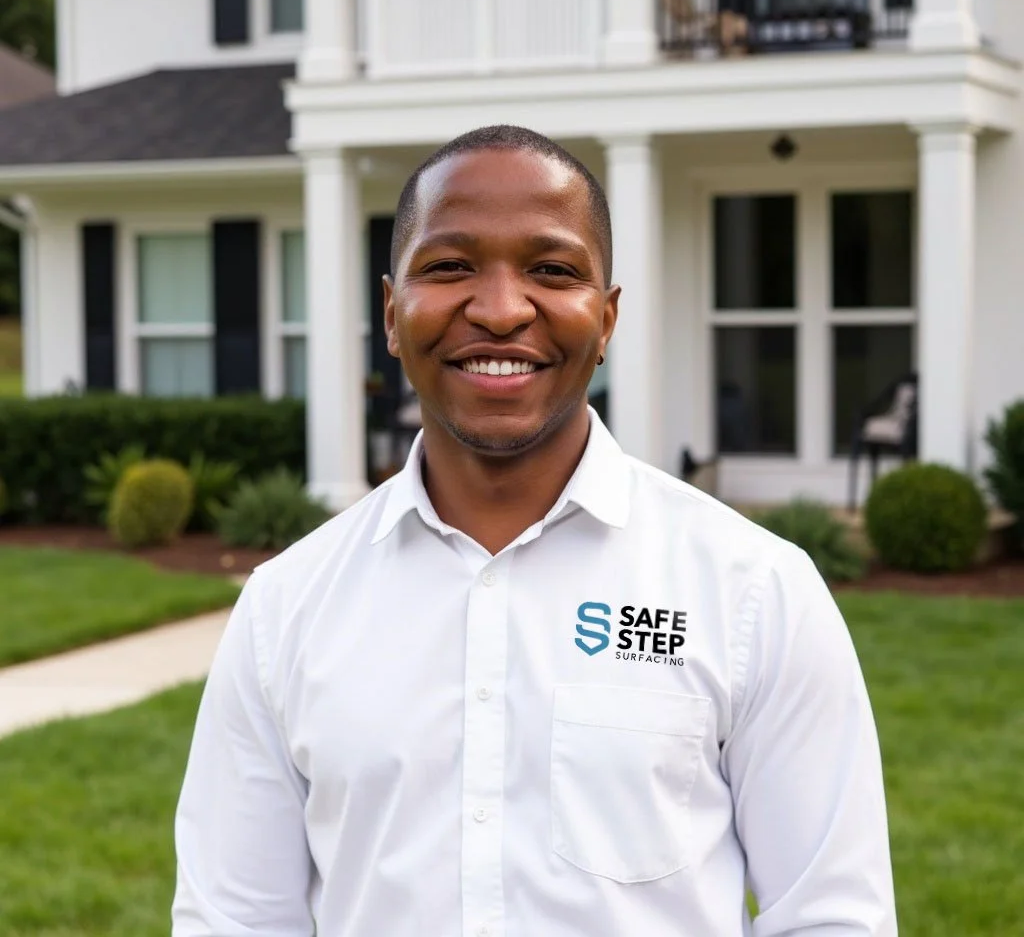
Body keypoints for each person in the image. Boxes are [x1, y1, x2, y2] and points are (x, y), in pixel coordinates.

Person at [171, 125, 897, 936]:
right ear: (390, 312)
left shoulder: (755, 591)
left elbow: (834, 916)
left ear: (607, 317)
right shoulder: (285, 609)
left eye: (552, 270)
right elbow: (232, 920)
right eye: (449, 267)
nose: (502, 309)